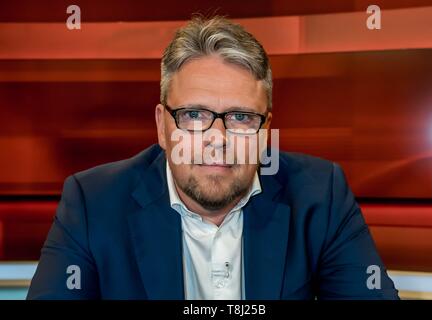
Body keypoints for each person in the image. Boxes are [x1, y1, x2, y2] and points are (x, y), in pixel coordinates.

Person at [27, 15, 399, 300]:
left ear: (265, 129)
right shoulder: (92, 202)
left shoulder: (321, 196)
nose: (217, 139)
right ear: (161, 126)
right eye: (194, 115)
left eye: (240, 117)